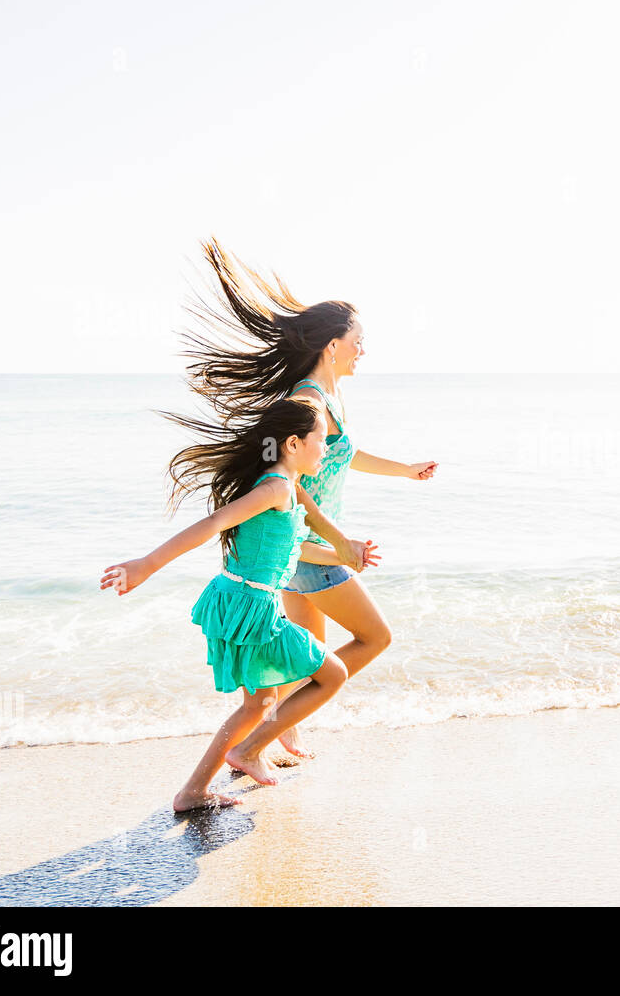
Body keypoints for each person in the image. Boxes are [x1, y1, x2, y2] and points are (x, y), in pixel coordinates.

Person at [177, 237, 437, 759]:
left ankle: (272, 736)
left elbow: (347, 454)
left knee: (304, 660)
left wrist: (405, 472)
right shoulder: (308, 402)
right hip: (310, 549)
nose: (364, 349)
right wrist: (339, 543)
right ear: (332, 345)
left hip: (302, 547)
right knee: (374, 639)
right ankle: (254, 744)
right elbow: (288, 478)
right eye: (358, 339)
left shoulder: (327, 398)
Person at [100, 396, 380, 812]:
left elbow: (296, 546)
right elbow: (213, 523)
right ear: (292, 443)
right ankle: (235, 761)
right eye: (321, 439)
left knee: (260, 702)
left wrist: (345, 554)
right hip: (252, 607)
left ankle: (195, 790)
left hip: (241, 600)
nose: (326, 447)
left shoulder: (284, 487)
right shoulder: (275, 487)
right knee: (332, 675)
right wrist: (146, 565)